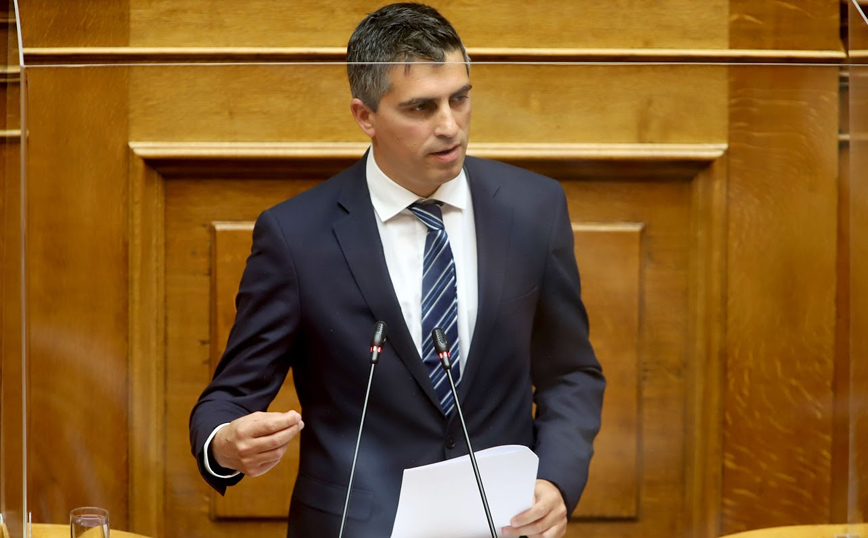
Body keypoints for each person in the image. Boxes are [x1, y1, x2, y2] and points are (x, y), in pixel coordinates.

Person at [189, 3, 605, 537]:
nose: (449, 126)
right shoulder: (297, 236)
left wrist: (556, 480)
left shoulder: (534, 208)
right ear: (365, 116)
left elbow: (570, 372)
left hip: (503, 522)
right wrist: (224, 443)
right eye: (421, 108)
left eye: (459, 98)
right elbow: (231, 395)